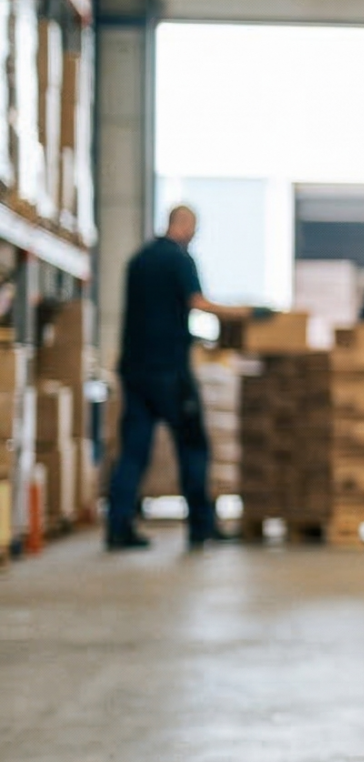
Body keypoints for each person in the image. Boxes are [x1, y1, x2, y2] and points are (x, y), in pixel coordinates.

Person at [107, 205, 253, 550]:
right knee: (192, 445)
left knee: (133, 451)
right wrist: (244, 312)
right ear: (184, 225)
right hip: (169, 371)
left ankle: (117, 526)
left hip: (134, 369)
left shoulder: (138, 260)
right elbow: (198, 303)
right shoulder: (179, 260)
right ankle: (201, 525)